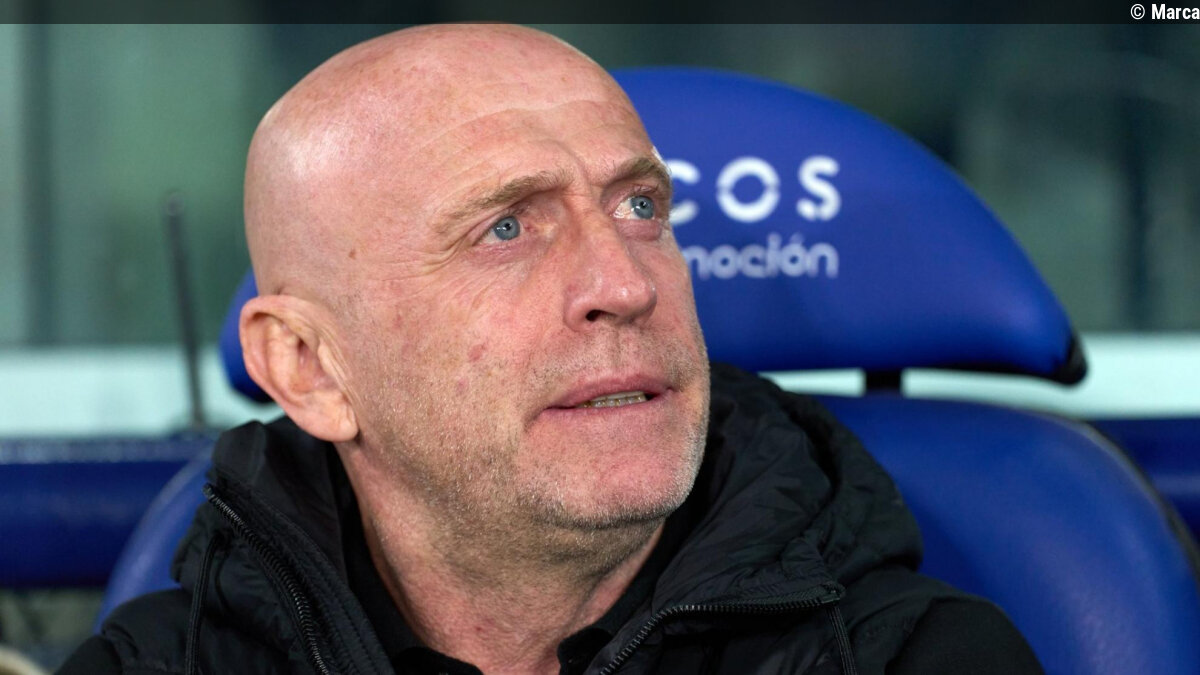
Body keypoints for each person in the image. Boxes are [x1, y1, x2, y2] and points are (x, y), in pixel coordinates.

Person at [61, 24, 1042, 675]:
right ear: (309, 367)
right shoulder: (155, 666)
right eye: (506, 228)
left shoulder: (917, 659)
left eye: (640, 207)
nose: (626, 283)